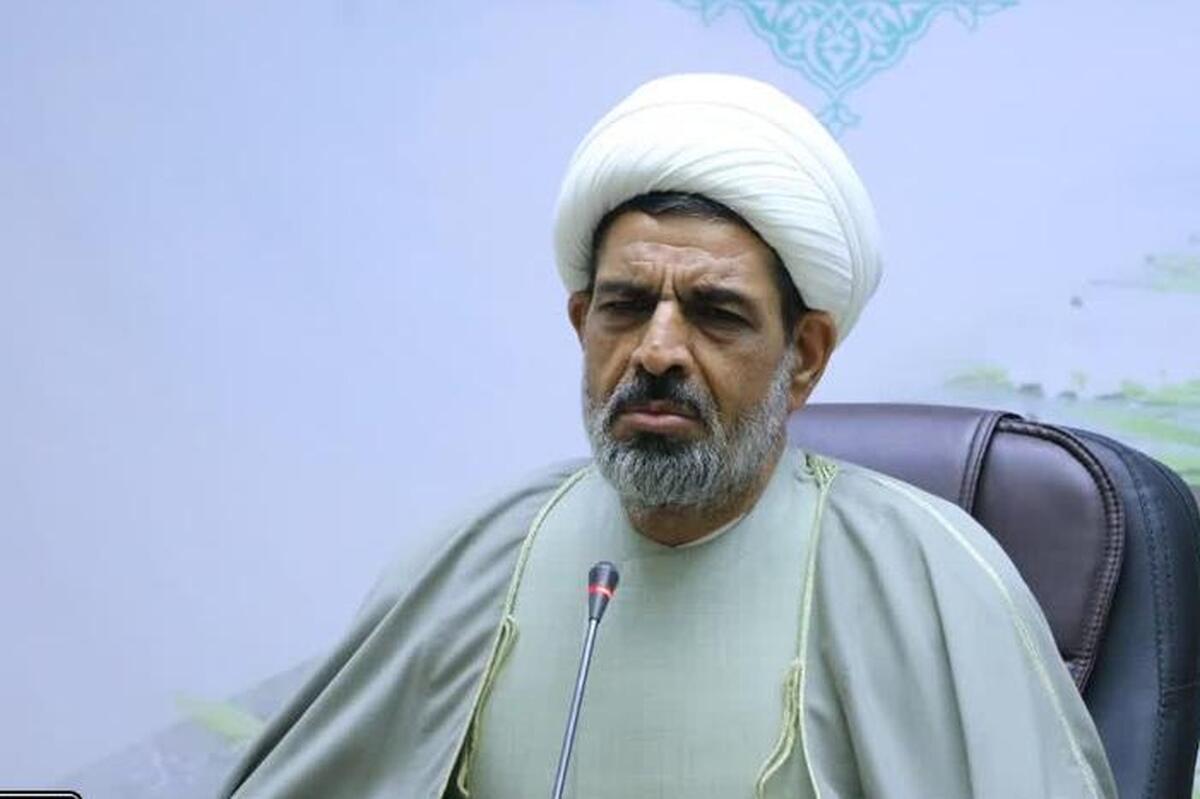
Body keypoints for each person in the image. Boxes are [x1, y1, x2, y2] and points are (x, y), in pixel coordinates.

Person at [220, 74, 1117, 798]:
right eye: (624, 306)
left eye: (715, 313)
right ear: (582, 323)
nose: (656, 350)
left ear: (804, 356)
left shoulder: (930, 577)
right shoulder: (474, 560)